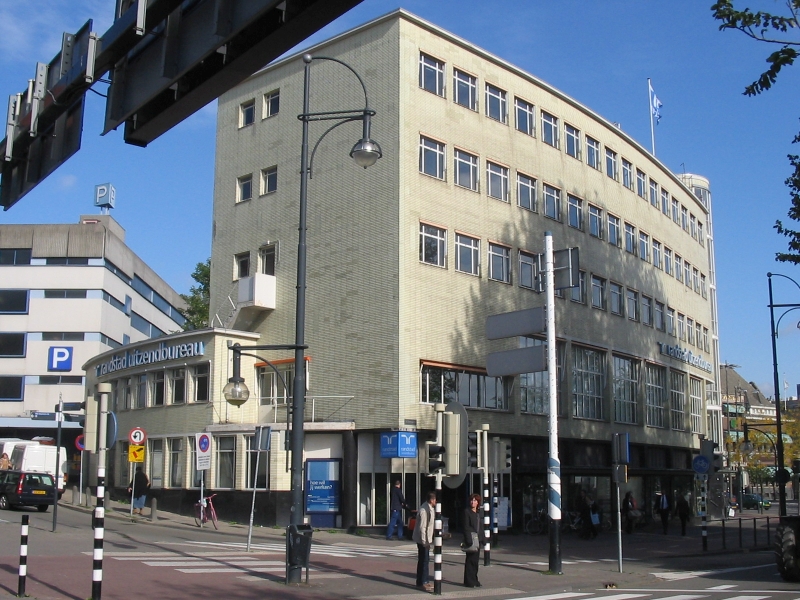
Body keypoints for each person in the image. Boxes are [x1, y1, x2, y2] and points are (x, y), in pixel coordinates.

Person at [412, 491, 436, 592]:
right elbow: (423, 527)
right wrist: (424, 542)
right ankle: (423, 582)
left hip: (426, 539)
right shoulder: (424, 510)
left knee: (423, 560)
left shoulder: (429, 508)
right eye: (435, 499)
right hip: (423, 540)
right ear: (431, 500)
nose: (436, 501)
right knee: (424, 560)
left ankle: (421, 581)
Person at [463, 493, 483, 588]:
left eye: (475, 500)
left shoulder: (478, 514)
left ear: (478, 502)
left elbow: (481, 527)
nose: (473, 502)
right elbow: (466, 527)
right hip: (471, 540)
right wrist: (468, 540)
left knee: (475, 561)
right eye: (472, 500)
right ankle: (469, 581)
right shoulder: (467, 512)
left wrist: (483, 539)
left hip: (477, 540)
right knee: (470, 561)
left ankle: (475, 579)